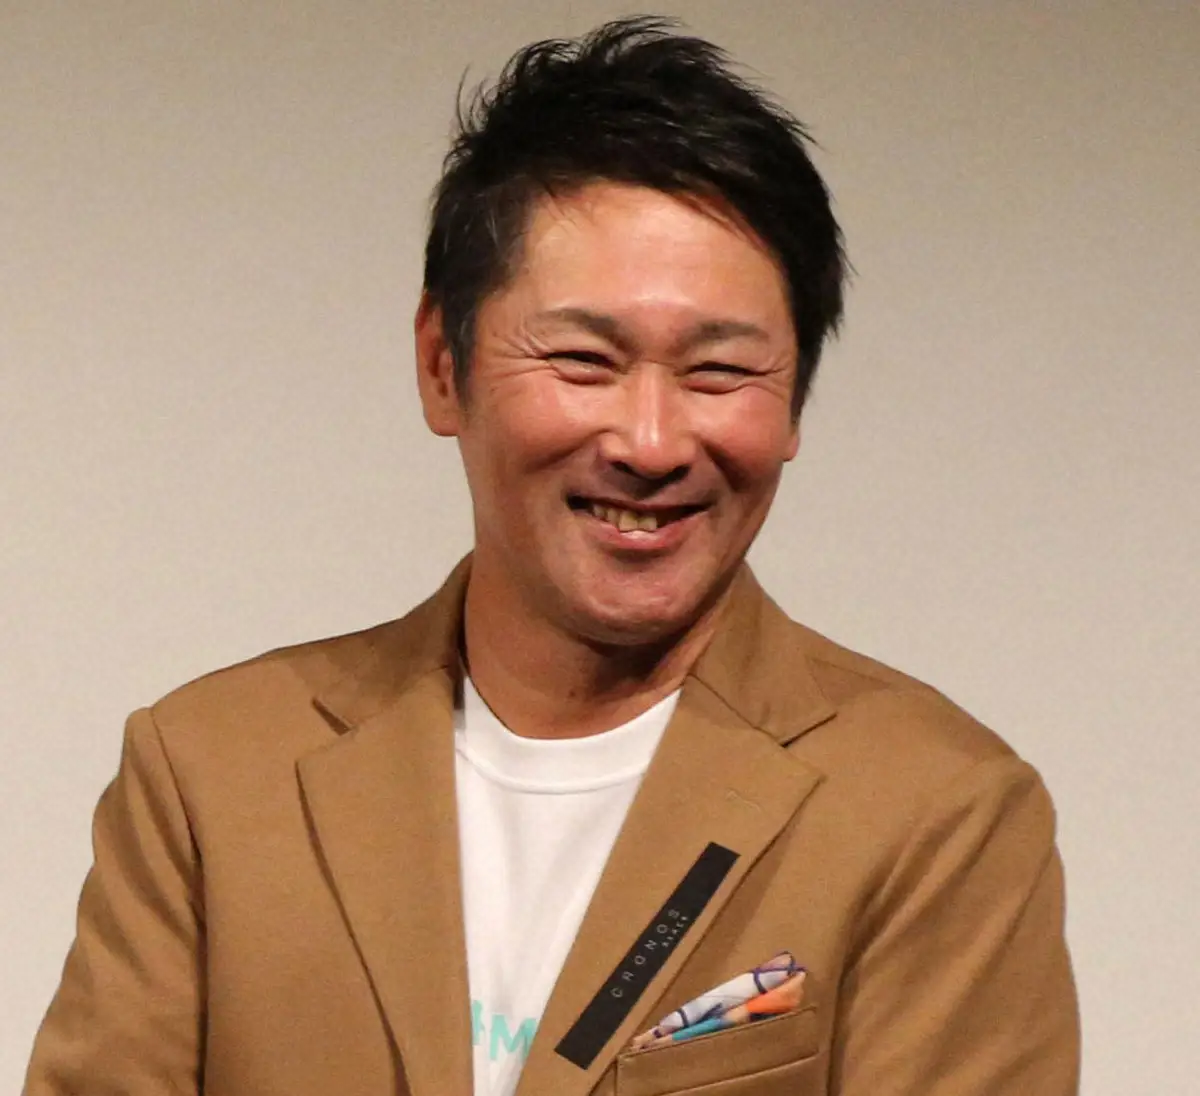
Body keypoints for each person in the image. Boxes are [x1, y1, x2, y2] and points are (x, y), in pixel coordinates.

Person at [23, 16, 1079, 1096]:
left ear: (796, 397)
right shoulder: (212, 774)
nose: (652, 442)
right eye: (584, 359)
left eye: (720, 372)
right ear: (443, 366)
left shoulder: (936, 811)